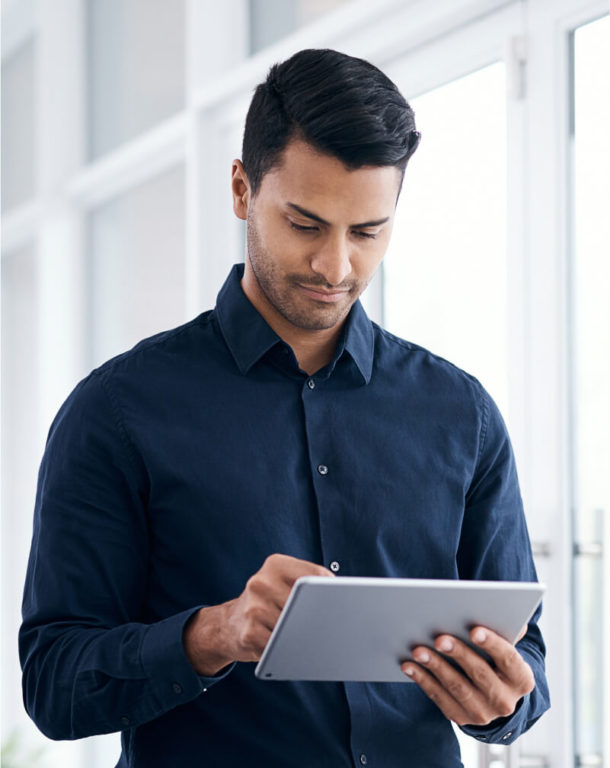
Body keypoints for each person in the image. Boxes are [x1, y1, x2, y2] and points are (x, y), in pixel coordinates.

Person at [20, 48, 550, 767]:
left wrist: (505, 702)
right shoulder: (117, 411)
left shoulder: (462, 413)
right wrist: (214, 634)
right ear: (242, 190)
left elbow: (527, 666)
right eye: (305, 224)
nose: (336, 267)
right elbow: (53, 684)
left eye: (368, 232)